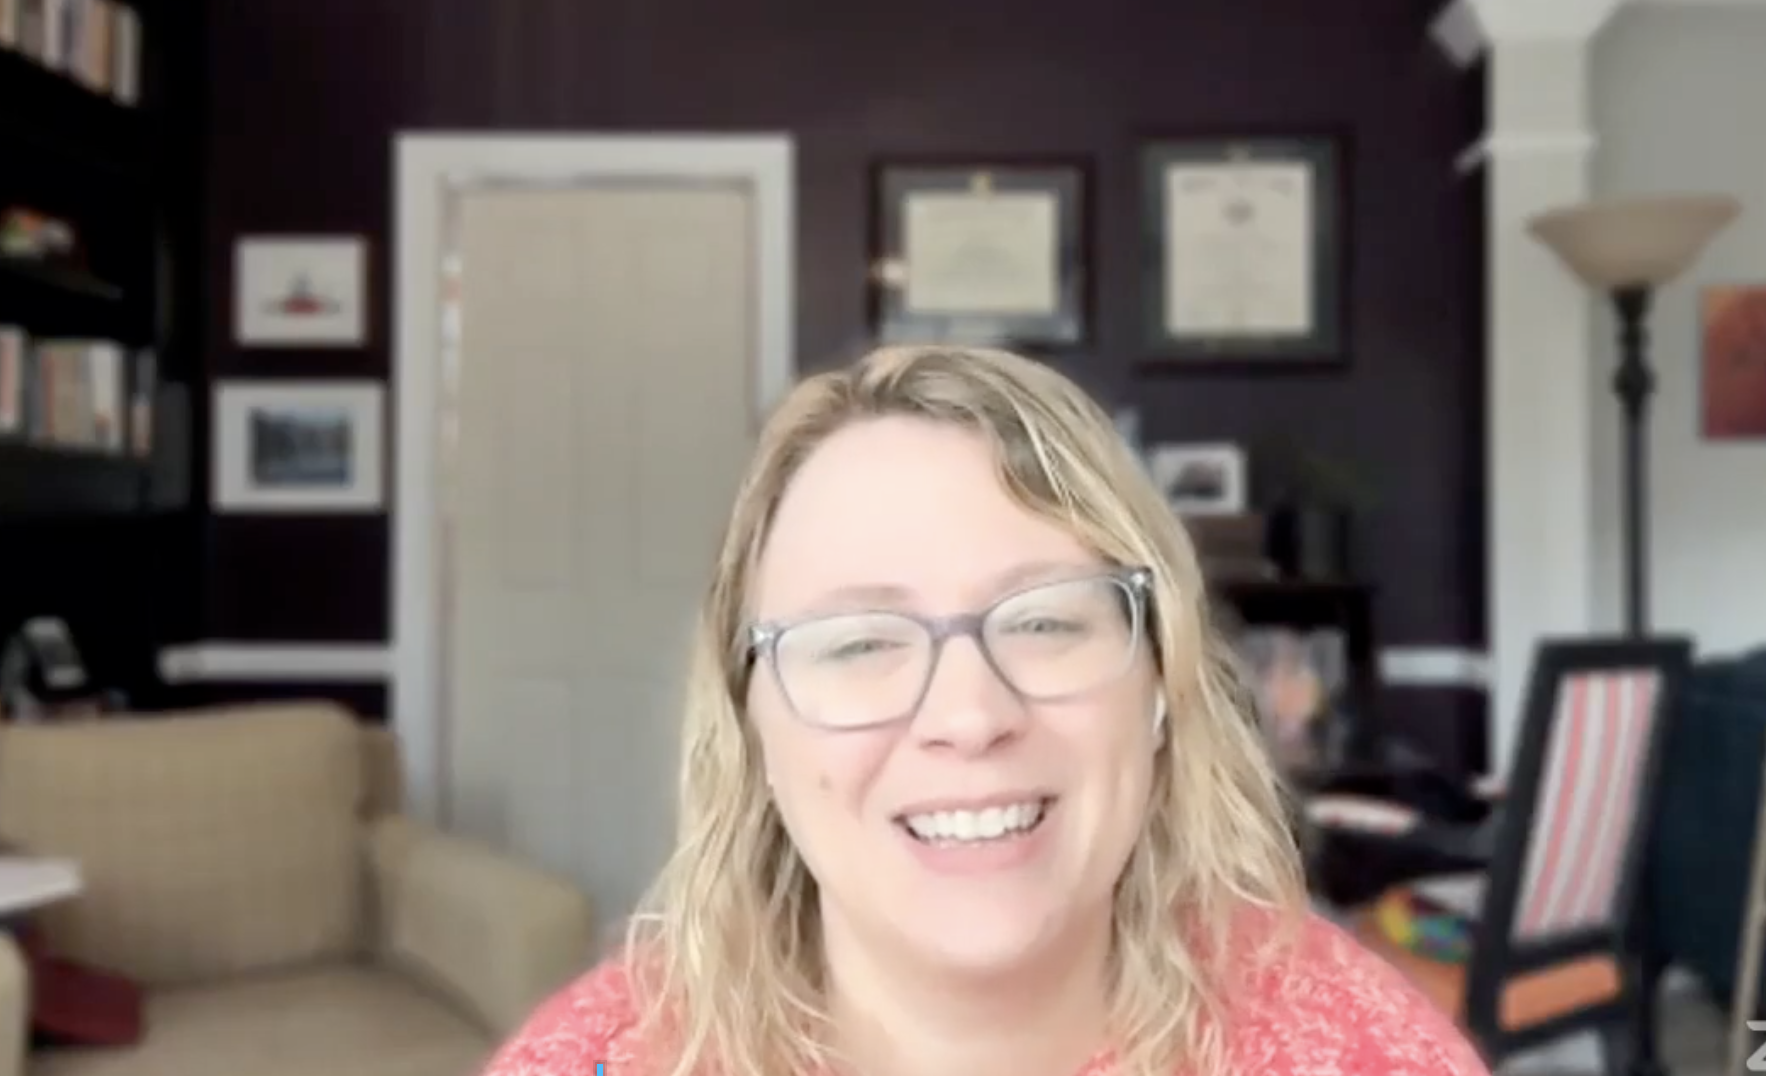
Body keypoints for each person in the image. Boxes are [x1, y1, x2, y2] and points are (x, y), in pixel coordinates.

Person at [480, 346, 1488, 1076]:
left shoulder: (1357, 1047)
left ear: (1158, 685)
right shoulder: (591, 1059)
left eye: (1046, 622)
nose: (968, 715)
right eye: (862, 641)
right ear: (753, 730)